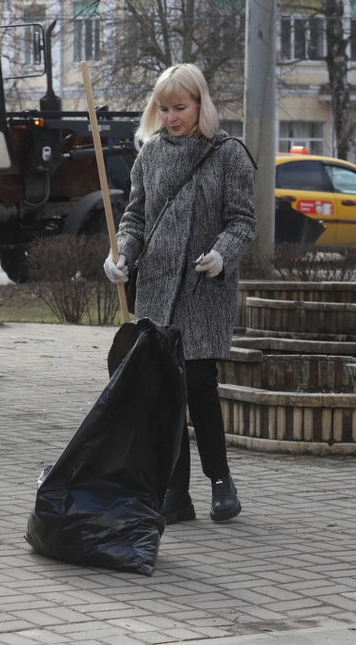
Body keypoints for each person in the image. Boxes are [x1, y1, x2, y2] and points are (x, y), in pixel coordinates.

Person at [102, 63, 256, 524]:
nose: (171, 117)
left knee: (201, 389)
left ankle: (221, 482)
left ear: (201, 104)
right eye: (164, 108)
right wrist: (120, 257)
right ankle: (175, 492)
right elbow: (134, 218)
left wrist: (222, 254)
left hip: (202, 290)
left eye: (180, 108)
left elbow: (243, 221)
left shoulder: (227, 153)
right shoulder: (149, 153)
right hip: (154, 289)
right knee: (164, 395)